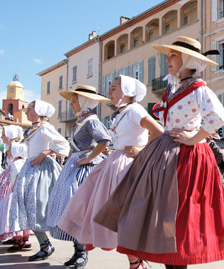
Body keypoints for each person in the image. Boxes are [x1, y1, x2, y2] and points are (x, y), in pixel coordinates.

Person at [94, 36, 224, 269]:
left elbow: (218, 117)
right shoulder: (174, 88)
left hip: (184, 158)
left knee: (176, 219)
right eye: (169, 55)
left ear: (187, 59)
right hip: (164, 154)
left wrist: (194, 138)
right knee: (159, 215)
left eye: (173, 55)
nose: (168, 59)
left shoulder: (198, 88)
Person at [58, 76, 163, 269]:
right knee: (104, 210)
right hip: (115, 163)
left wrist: (142, 150)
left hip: (129, 165)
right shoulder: (120, 113)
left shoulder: (134, 109)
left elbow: (158, 130)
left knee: (125, 215)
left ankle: (136, 262)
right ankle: (134, 261)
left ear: (126, 91)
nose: (109, 93)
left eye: (113, 88)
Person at [46, 85, 111, 268]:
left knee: (77, 207)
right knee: (69, 207)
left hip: (85, 169)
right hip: (75, 165)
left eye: (74, 101)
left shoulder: (91, 121)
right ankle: (78, 250)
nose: (71, 104)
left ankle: (83, 252)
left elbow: (104, 140)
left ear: (84, 102)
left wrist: (89, 158)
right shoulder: (81, 121)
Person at [8, 100, 70, 262]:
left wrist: (45, 153)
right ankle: (45, 245)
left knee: (44, 206)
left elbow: (63, 144)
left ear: (39, 112)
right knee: (30, 208)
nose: (27, 112)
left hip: (43, 171)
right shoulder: (33, 129)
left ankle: (78, 247)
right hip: (31, 170)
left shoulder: (45, 127)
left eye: (30, 110)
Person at [0, 142, 33, 251]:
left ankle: (18, 240)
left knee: (12, 216)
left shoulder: (16, 164)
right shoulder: (24, 162)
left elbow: (18, 175)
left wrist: (13, 187)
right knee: (20, 216)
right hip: (22, 192)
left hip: (15, 193)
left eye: (10, 150)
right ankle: (24, 238)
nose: (7, 152)